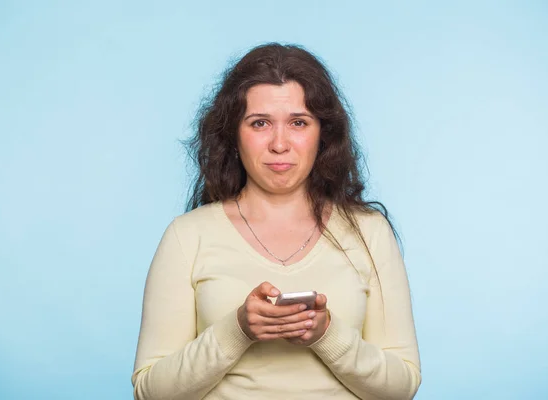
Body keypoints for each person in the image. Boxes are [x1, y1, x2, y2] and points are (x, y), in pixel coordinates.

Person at [131, 43, 421, 400]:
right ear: (234, 136)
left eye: (298, 122)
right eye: (260, 123)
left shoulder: (370, 233)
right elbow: (149, 392)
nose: (279, 144)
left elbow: (402, 388)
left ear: (323, 135)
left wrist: (326, 334)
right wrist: (237, 330)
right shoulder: (187, 236)